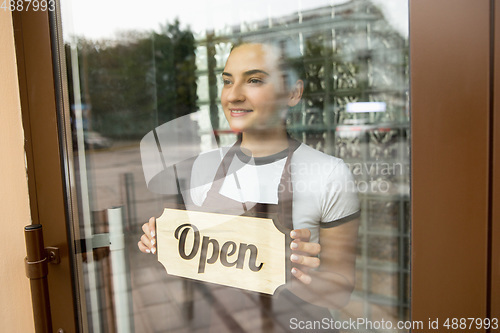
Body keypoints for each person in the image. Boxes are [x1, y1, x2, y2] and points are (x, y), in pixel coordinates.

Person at [138, 40, 360, 330]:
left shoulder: (329, 173)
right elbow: (196, 261)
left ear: (293, 93)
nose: (233, 95)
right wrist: (164, 241)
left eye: (254, 80)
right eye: (227, 81)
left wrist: (300, 275)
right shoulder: (202, 167)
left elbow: (341, 291)